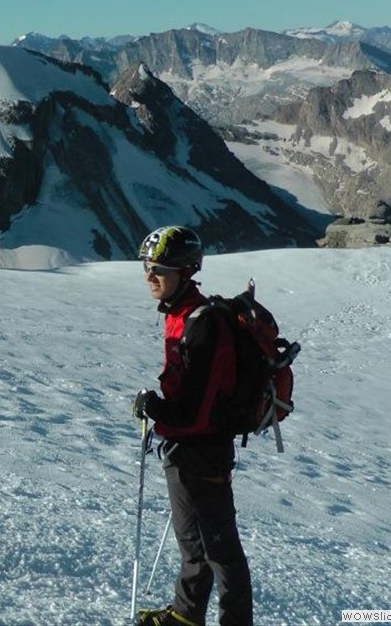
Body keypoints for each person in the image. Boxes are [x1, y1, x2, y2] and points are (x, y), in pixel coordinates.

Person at [132, 226, 253, 626]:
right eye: (148, 267)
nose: (150, 276)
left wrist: (155, 407)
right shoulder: (180, 315)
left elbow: (193, 413)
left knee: (220, 550)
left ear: (185, 272)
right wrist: (159, 410)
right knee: (194, 546)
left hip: (202, 453)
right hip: (185, 452)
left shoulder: (202, 324)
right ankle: (186, 617)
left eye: (159, 270)